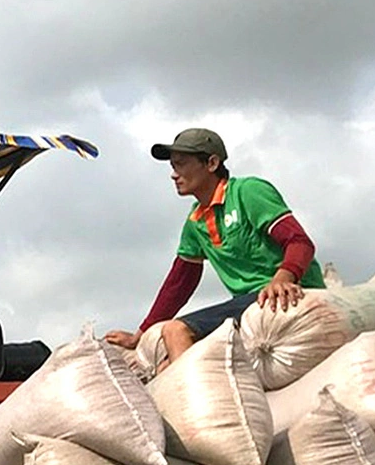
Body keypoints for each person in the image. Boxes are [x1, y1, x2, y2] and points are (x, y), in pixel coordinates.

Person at [104, 127, 324, 367]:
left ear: (211, 163)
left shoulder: (248, 192)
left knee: (176, 331)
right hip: (248, 305)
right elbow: (179, 284)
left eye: (181, 164)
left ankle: (189, 404)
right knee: (166, 364)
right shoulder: (195, 221)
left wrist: (283, 277)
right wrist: (140, 334)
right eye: (172, 166)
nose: (173, 174)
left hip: (284, 292)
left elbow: (300, 242)